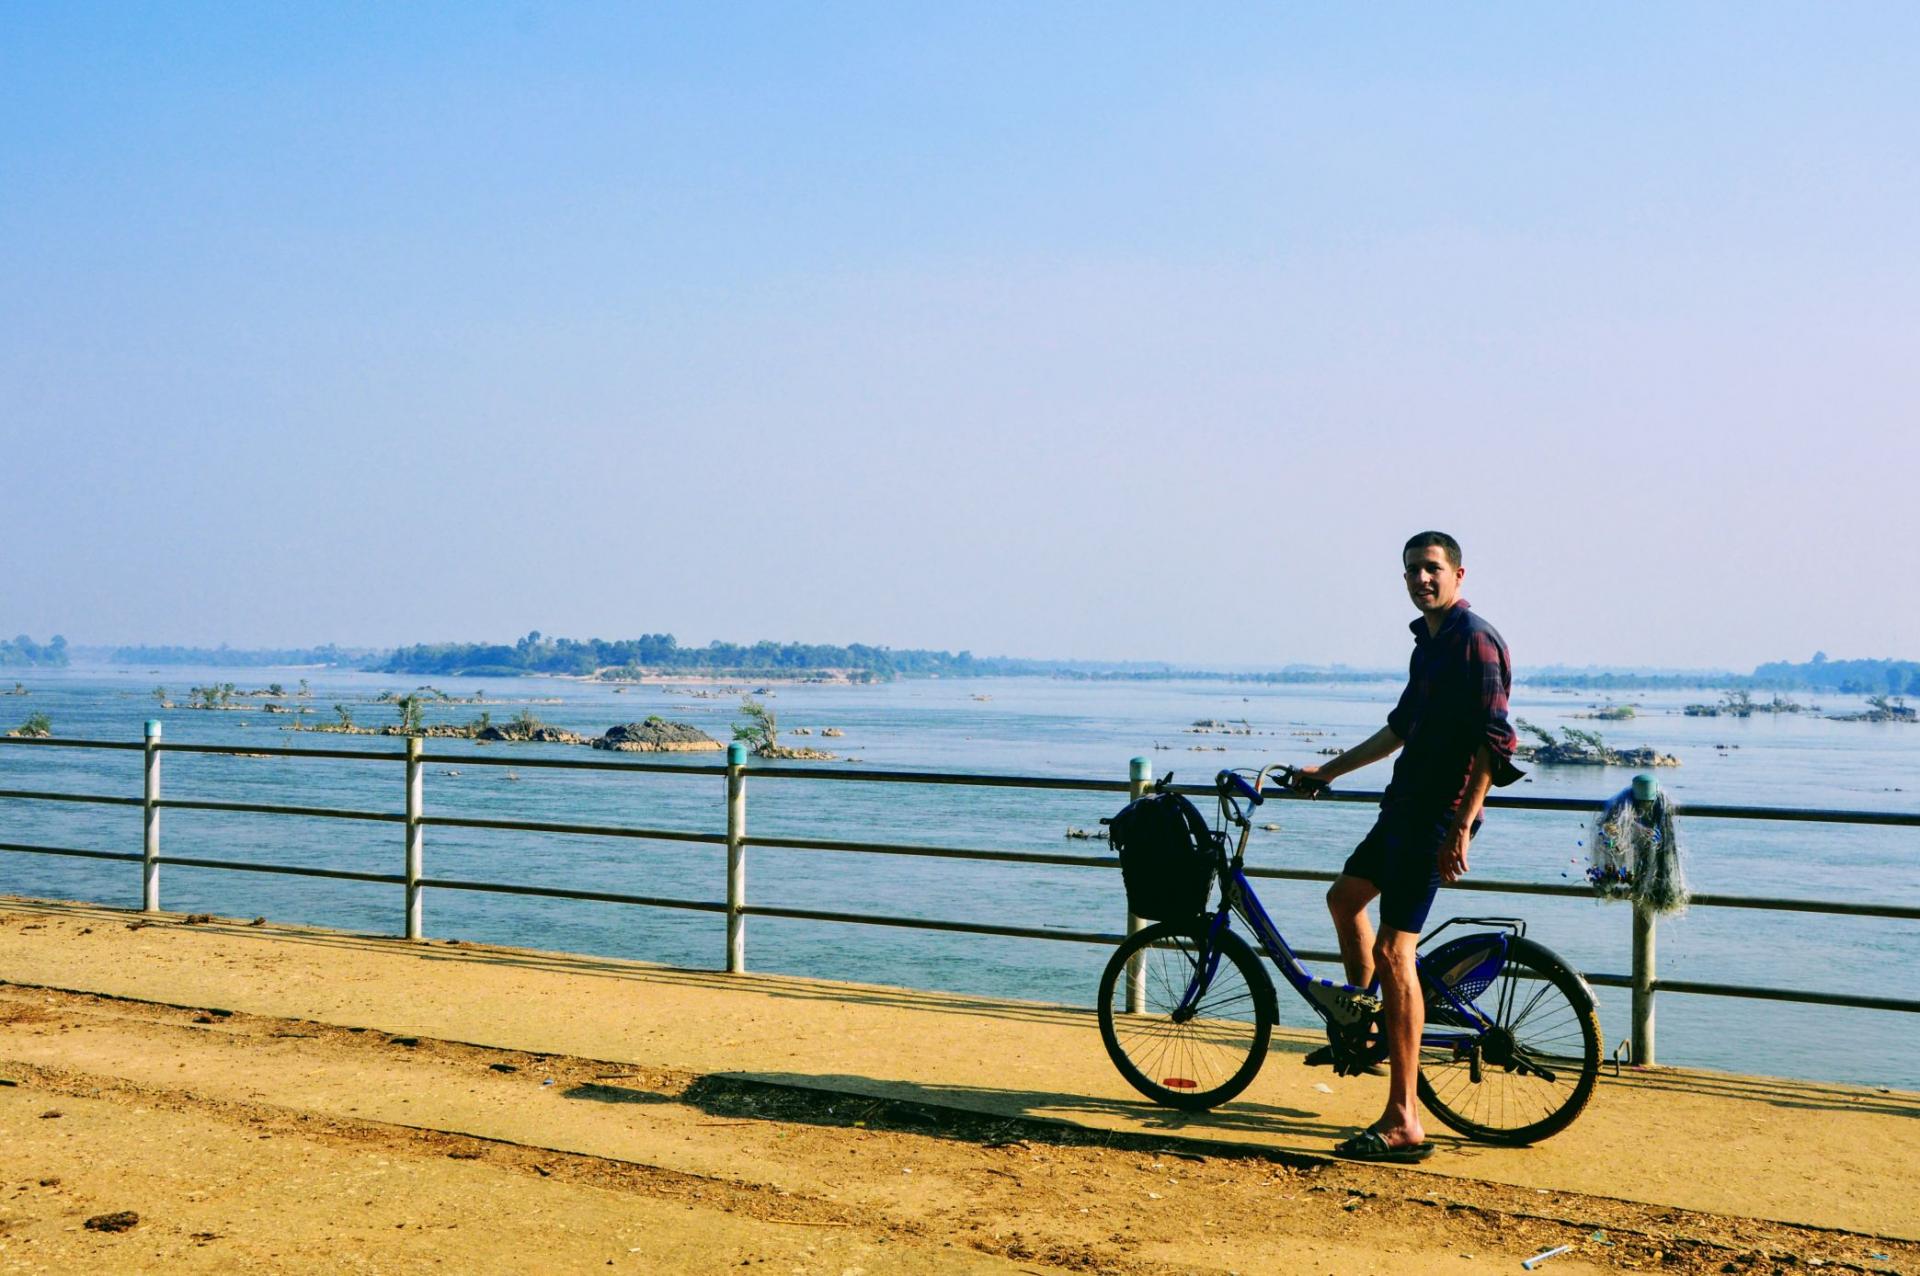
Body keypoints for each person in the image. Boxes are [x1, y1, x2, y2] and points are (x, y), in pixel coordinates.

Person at [1291, 530, 1523, 1163]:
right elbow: (1399, 728)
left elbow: (1496, 742)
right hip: (1402, 807)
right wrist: (1327, 773)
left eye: (1432, 569)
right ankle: (1369, 1026)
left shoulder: (1475, 640)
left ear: (1458, 574)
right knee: (1344, 901)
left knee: (1397, 952)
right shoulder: (1429, 645)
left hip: (1435, 818)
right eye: (1412, 571)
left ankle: (1403, 1118)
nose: (1422, 579)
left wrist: (1461, 826)